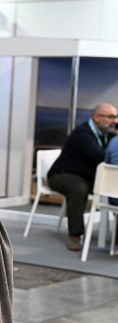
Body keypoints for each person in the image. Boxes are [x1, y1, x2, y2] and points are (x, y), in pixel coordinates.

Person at [48, 103, 116, 250]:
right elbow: (100, 157)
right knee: (79, 188)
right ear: (97, 117)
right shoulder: (82, 134)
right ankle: (75, 236)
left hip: (86, 177)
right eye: (110, 117)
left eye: (115, 117)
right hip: (62, 175)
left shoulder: (107, 135)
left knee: (113, 188)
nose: (115, 121)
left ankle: (116, 237)